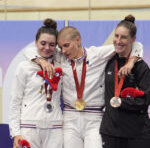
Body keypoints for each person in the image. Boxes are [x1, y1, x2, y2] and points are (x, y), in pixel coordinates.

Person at [24, 24, 143, 148]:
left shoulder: (97, 54)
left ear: (78, 40)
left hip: (94, 118)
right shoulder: (61, 56)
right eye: (60, 47)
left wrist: (131, 61)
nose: (63, 51)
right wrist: (41, 61)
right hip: (70, 117)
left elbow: (135, 45)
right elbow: (30, 51)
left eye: (66, 45)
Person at [9, 18, 63, 148]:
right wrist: (16, 133)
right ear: (35, 42)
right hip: (29, 127)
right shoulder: (24, 67)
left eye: (51, 44)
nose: (47, 48)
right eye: (42, 43)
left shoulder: (61, 64)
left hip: (55, 127)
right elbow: (15, 101)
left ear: (56, 46)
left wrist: (40, 60)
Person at [100, 15, 150, 148]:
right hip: (110, 131)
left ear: (133, 39)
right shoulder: (108, 60)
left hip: (137, 132)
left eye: (123, 37)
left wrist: (122, 102)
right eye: (116, 36)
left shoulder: (141, 67)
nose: (118, 41)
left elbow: (145, 100)